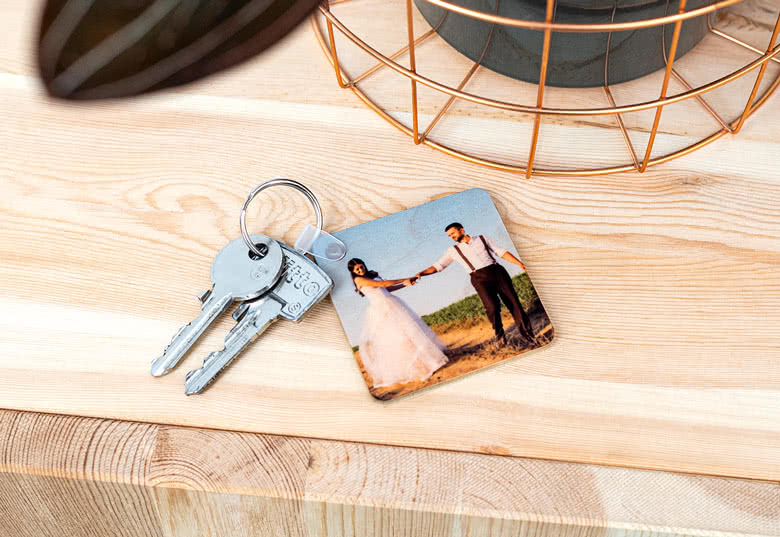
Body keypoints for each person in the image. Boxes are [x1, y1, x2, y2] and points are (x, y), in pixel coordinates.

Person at [416, 223, 535, 346]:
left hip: (497, 272)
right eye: (449, 235)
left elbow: (501, 252)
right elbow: (439, 266)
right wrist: (421, 273)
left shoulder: (482, 239)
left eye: (453, 233)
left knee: (514, 304)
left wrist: (519, 263)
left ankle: (530, 337)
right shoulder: (453, 251)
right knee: (492, 308)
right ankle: (500, 337)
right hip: (478, 278)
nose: (451, 236)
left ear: (461, 230)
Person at [348, 258, 448, 388]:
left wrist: (405, 284)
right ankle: (413, 370)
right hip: (381, 310)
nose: (361, 270)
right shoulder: (358, 280)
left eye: (361, 267)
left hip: (392, 303)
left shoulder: (372, 275)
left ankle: (425, 364)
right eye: (357, 269)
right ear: (353, 272)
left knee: (410, 334)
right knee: (398, 339)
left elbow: (387, 290)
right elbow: (383, 284)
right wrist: (405, 278)